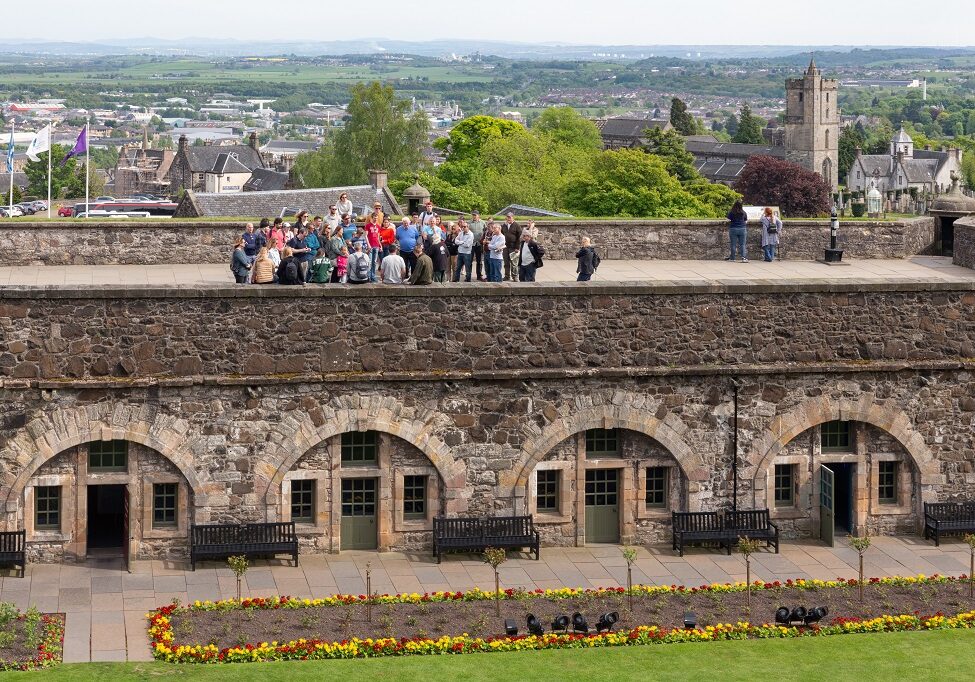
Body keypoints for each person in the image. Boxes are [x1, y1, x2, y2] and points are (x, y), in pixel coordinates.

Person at [501, 212, 522, 281]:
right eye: (507, 217)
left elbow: (519, 237)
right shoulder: (504, 225)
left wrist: (517, 248)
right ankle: (507, 276)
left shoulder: (517, 225)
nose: (508, 218)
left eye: (510, 217)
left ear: (513, 217)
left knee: (514, 263)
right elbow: (501, 235)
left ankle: (515, 276)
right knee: (506, 263)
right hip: (505, 247)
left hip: (513, 247)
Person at [468, 210, 486, 281]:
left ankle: (479, 275)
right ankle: (468, 276)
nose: (474, 216)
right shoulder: (469, 223)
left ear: (478, 215)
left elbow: (485, 232)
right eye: (473, 215)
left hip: (479, 244)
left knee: (479, 261)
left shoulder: (483, 223)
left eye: (475, 215)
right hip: (471, 244)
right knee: (469, 261)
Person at [365, 211, 383, 282]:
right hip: (371, 245)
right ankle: (368, 276)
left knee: (374, 262)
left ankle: (373, 276)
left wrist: (380, 245)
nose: (375, 219)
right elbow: (366, 236)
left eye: (376, 218)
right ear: (372, 218)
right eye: (374, 218)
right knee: (369, 261)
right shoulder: (368, 226)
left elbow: (378, 237)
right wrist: (368, 244)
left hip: (376, 245)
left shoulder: (378, 226)